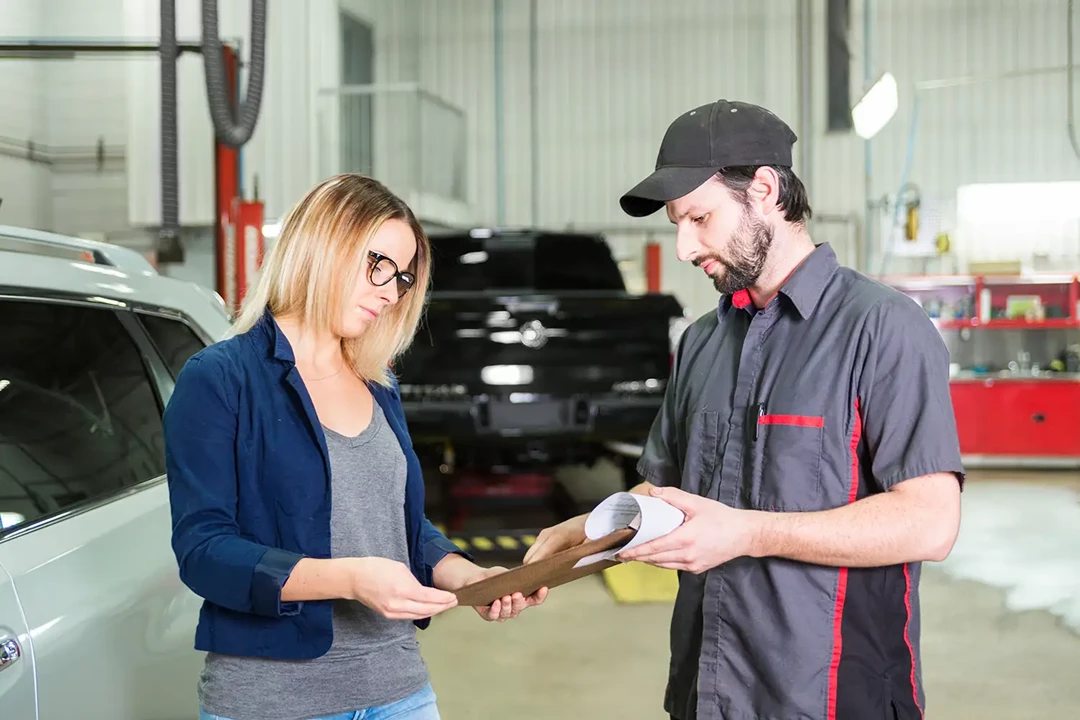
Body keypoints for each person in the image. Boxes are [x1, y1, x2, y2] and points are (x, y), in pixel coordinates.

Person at [523, 100, 964, 720]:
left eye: (700, 218)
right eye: (678, 223)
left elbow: (930, 522)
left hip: (833, 696)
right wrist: (585, 535)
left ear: (763, 190)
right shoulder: (702, 341)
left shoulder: (883, 328)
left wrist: (751, 531)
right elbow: (668, 489)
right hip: (708, 693)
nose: (683, 247)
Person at [164, 174, 546, 720]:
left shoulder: (377, 381)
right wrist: (349, 578)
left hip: (399, 689)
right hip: (273, 701)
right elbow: (204, 551)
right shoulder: (221, 379)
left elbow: (400, 525)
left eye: (403, 277)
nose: (391, 292)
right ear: (323, 244)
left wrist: (470, 577)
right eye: (379, 266)